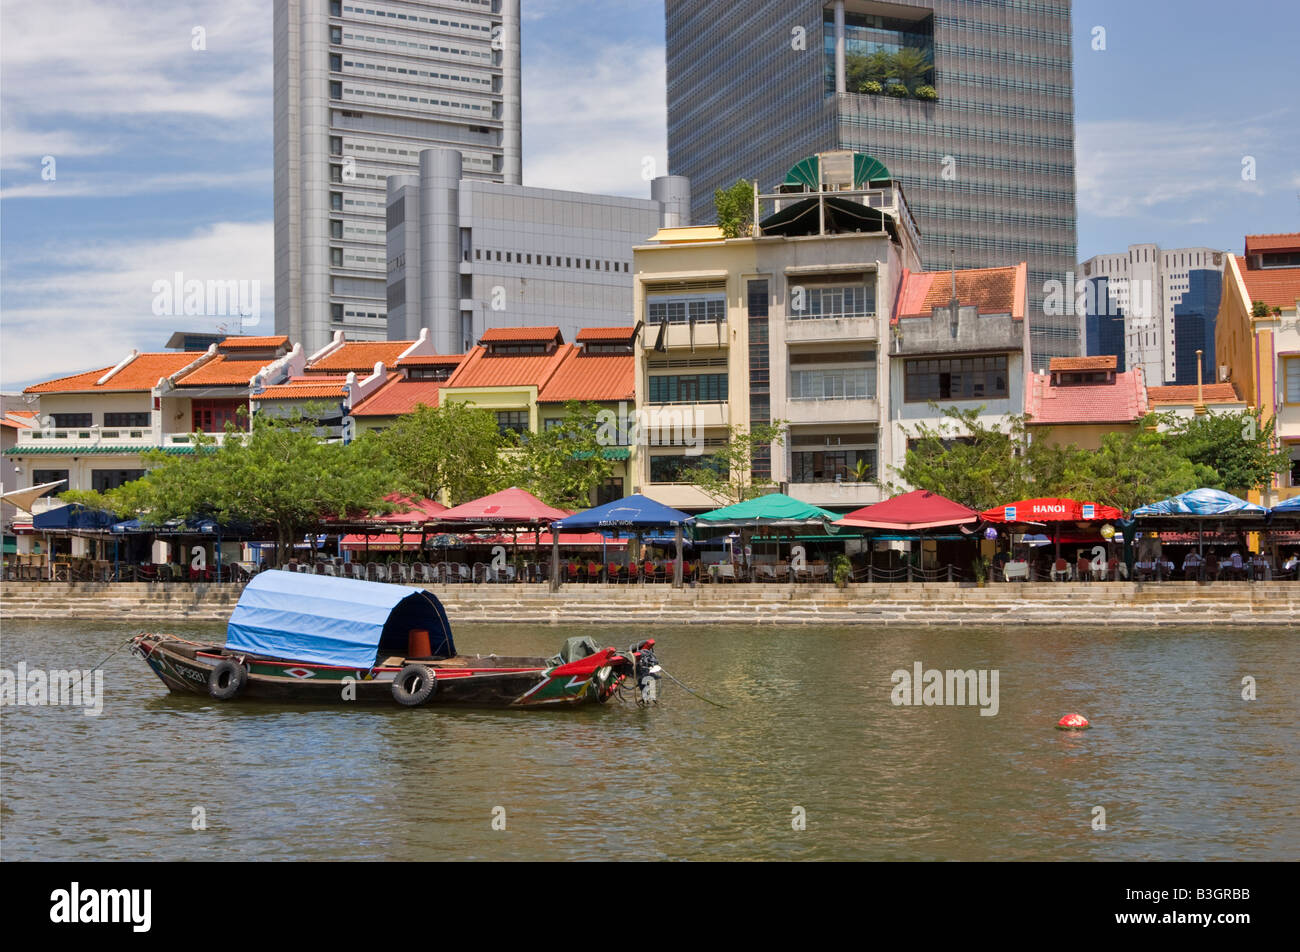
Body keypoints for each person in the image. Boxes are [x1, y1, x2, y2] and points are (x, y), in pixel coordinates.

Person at [635, 638, 662, 706]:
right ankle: (647, 698)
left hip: (645, 671)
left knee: (647, 677)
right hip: (644, 671)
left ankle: (648, 698)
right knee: (646, 677)